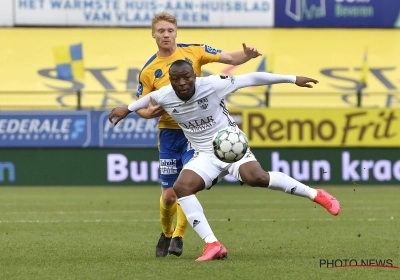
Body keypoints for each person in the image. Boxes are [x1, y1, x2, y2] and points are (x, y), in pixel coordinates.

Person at [109, 60, 340, 262]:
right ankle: (213, 244)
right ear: (170, 81)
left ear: (194, 77)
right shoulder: (165, 95)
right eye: (176, 79)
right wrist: (127, 109)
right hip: (204, 155)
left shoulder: (211, 84)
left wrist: (292, 79)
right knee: (181, 187)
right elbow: (149, 97)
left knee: (257, 178)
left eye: (186, 77)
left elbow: (250, 77)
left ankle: (316, 194)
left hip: (230, 144)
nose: (182, 83)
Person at [135, 12, 262, 257]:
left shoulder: (193, 51)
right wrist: (149, 113)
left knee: (188, 186)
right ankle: (166, 232)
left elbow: (228, 56)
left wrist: (246, 55)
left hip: (198, 132)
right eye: (161, 31)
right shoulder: (149, 70)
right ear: (153, 34)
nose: (166, 35)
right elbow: (140, 106)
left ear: (176, 32)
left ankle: (179, 237)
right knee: (169, 196)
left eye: (170, 31)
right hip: (170, 135)